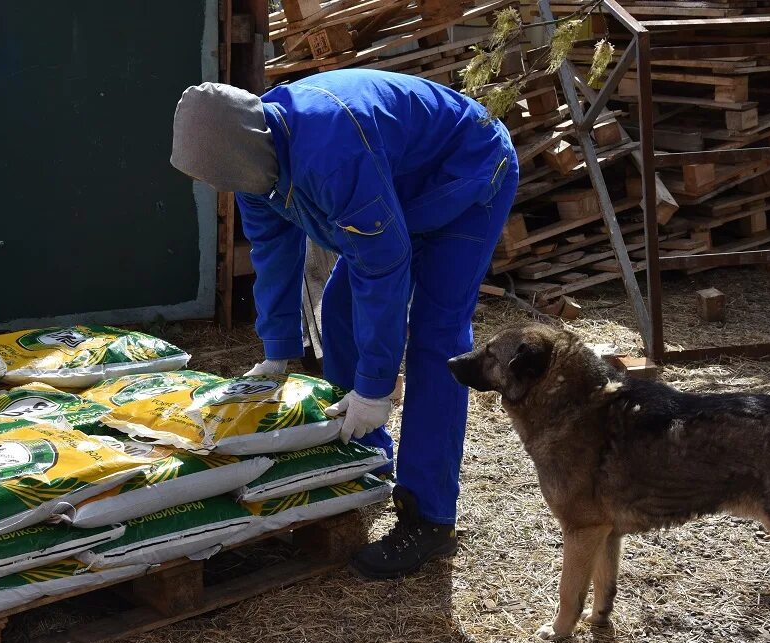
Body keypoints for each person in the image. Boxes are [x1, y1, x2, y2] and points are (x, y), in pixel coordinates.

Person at [170, 69, 519, 579]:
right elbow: (272, 253)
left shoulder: (331, 151)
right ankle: (366, 459)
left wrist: (375, 387)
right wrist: (277, 352)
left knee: (436, 337)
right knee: (337, 312)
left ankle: (429, 516)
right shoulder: (248, 157)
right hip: (397, 184)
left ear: (246, 153)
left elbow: (382, 267)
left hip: (465, 177)